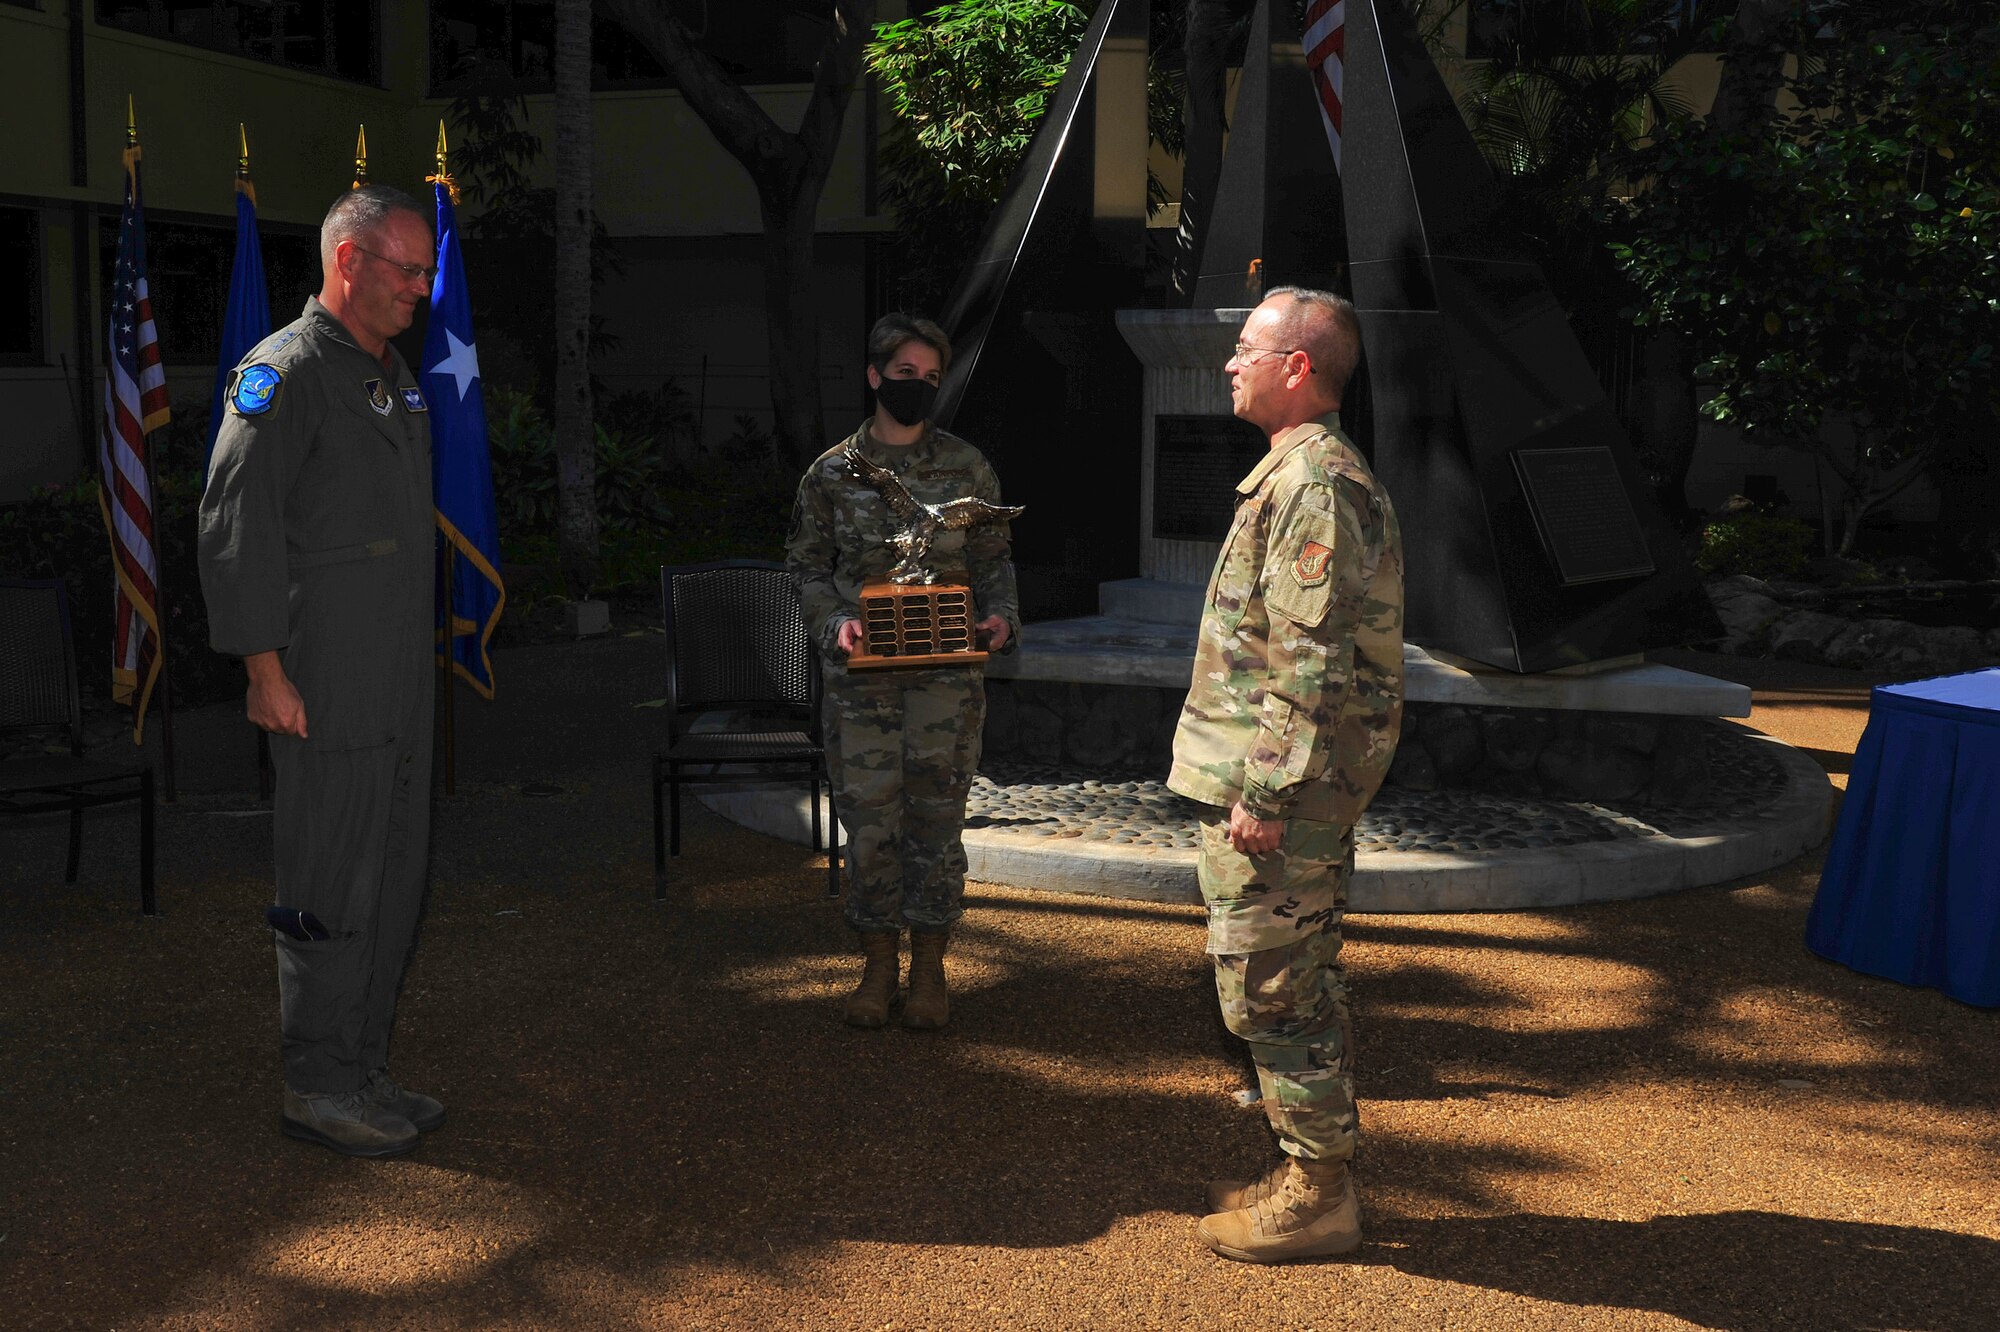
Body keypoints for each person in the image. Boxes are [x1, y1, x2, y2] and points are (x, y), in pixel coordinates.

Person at [198, 185, 444, 1158]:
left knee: (394, 877)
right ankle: (316, 1082)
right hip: (325, 679)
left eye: (426, 273)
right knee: (332, 879)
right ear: (348, 262)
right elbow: (234, 528)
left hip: (398, 679)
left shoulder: (395, 375)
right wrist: (263, 668)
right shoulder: (284, 373)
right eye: (406, 270)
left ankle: (362, 1068)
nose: (421, 291)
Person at [1167, 287, 1404, 1263]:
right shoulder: (1297, 474)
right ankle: (1312, 1169)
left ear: (1296, 368)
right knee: (1293, 975)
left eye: (1245, 349)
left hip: (1283, 791)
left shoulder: (1313, 482)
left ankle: (1318, 1194)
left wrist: (1264, 793)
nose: (1229, 363)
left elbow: (1305, 661)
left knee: (1270, 987)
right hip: (1290, 779)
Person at [786, 313, 1020, 1032]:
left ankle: (928, 965)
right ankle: (877, 961)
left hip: (946, 684)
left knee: (938, 820)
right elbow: (805, 567)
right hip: (863, 680)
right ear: (873, 376)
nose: (916, 386)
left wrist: (1002, 616)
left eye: (928, 377)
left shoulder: (967, 468)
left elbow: (993, 563)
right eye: (903, 374)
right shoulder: (829, 471)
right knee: (871, 824)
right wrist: (834, 623)